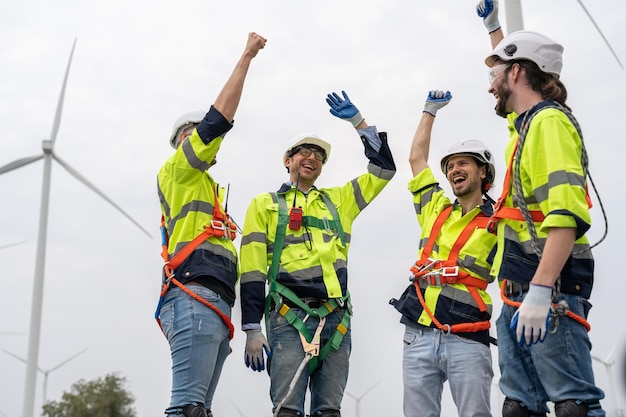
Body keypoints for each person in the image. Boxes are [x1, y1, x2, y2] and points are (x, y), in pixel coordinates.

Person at [476, 1, 606, 416]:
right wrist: (495, 29)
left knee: (573, 407)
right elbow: (509, 82)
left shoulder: (549, 124)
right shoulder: (528, 124)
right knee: (519, 408)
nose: (490, 84)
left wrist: (541, 289)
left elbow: (565, 214)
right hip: (520, 292)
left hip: (547, 293)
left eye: (497, 73)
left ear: (517, 72)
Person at [239, 90, 396, 417]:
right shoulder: (264, 204)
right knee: (287, 410)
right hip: (288, 317)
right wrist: (252, 327)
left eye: (319, 155)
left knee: (329, 411)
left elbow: (383, 171)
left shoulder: (340, 200)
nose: (311, 158)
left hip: (336, 319)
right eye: (304, 153)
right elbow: (252, 268)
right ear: (288, 160)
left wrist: (359, 123)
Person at [155, 32, 267, 417]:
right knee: (187, 408)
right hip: (192, 297)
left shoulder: (208, 190)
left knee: (199, 408)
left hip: (213, 303)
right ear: (182, 142)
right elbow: (220, 119)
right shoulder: (179, 170)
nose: (204, 140)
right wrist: (246, 57)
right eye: (194, 134)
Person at [390, 90, 498, 417]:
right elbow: (416, 160)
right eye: (450, 166)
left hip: (467, 335)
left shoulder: (499, 221)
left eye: (463, 163)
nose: (454, 170)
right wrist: (429, 111)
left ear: (483, 172)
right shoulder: (434, 208)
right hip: (419, 334)